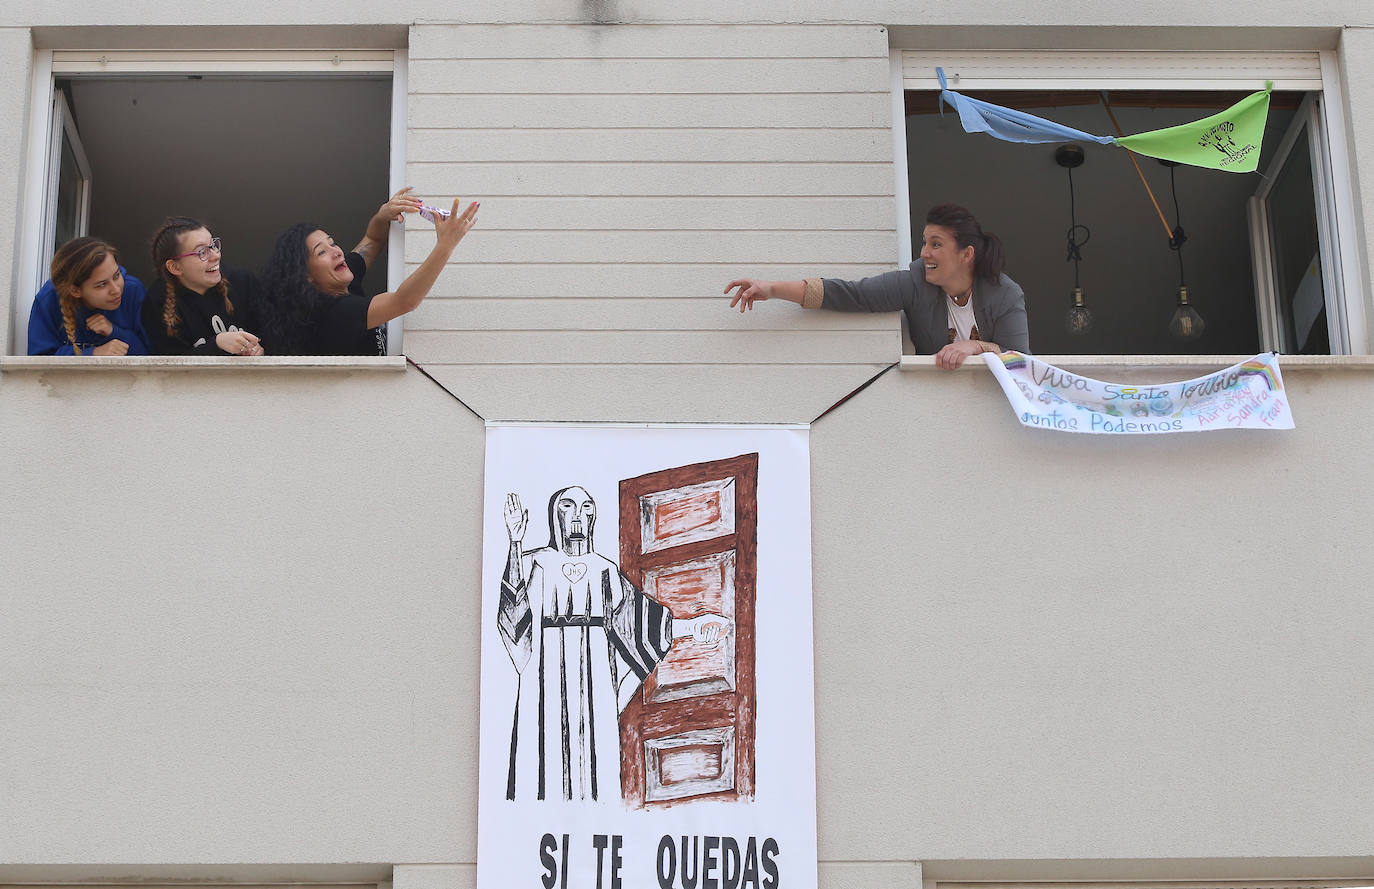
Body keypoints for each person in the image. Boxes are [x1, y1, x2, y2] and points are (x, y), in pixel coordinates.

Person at [498, 487, 729, 802]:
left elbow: (642, 624)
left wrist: (693, 627)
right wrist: (515, 542)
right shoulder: (533, 562)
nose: (578, 516)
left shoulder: (604, 570)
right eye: (568, 506)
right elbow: (512, 619)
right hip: (543, 680)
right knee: (541, 759)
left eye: (586, 507)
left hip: (594, 684)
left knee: (593, 769)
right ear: (554, 516)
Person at [725, 203, 1030, 369]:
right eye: (925, 242)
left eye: (936, 244)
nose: (924, 253)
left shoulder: (1005, 294)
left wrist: (976, 346)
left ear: (966, 254)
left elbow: (1022, 362)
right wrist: (772, 290)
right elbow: (851, 294)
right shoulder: (915, 283)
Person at [257, 187, 478, 356]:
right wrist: (445, 246)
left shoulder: (343, 279)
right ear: (306, 276)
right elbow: (405, 301)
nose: (336, 252)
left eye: (332, 243)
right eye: (321, 252)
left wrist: (383, 215)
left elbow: (373, 238)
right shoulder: (333, 313)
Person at [144, 216, 266, 356]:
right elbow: (172, 363)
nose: (216, 256)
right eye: (202, 252)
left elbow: (272, 336)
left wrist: (261, 350)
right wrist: (217, 344)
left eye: (213, 245)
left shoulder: (244, 282)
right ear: (175, 267)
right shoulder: (158, 301)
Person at [28, 236, 150, 356]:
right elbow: (39, 359)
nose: (116, 290)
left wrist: (113, 331)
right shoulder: (48, 299)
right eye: (102, 284)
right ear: (75, 291)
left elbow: (151, 354)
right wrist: (92, 354)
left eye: (116, 275)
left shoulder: (133, 290)